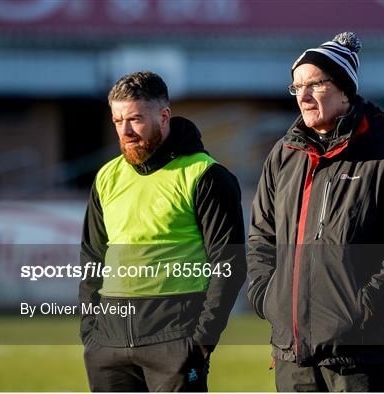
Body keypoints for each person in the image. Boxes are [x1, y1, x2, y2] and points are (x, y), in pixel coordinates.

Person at [247, 32, 384, 392]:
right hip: (292, 356)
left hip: (360, 357)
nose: (302, 96)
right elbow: (261, 236)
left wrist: (362, 307)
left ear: (344, 90)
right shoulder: (284, 153)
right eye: (296, 87)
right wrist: (266, 296)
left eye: (315, 85)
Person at [79, 71, 246, 391]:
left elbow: (229, 264)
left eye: (135, 119)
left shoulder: (206, 175)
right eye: (117, 121)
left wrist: (201, 341)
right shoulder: (106, 177)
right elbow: (91, 257)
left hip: (175, 338)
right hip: (107, 344)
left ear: (164, 115)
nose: (125, 131)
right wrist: (91, 332)